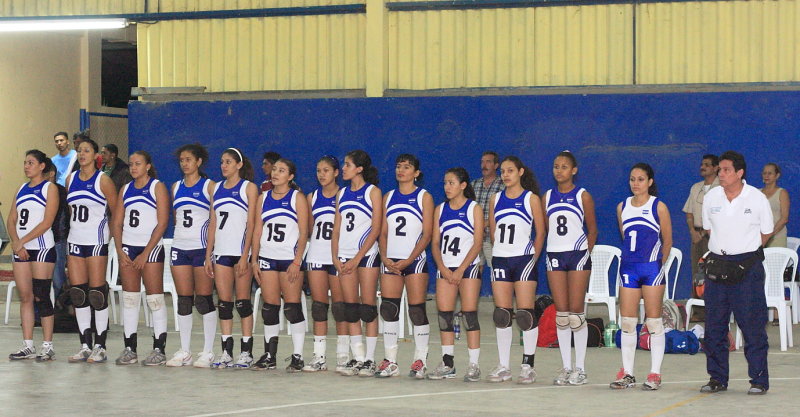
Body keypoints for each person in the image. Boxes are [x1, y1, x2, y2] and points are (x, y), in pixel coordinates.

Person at [700, 151, 772, 395]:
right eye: (719, 169)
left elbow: (766, 233)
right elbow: (708, 229)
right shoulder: (711, 197)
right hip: (718, 265)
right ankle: (717, 378)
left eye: (726, 170)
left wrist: (743, 251)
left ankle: (759, 380)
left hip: (747, 268)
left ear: (740, 173)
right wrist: (726, 250)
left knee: (752, 326)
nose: (720, 174)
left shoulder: (757, 198)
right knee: (714, 327)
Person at [610, 163, 672, 391]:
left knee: (654, 322)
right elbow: (625, 236)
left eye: (641, 179)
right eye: (632, 179)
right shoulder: (622, 207)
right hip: (629, 268)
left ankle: (655, 373)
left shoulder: (659, 207)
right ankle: (627, 373)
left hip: (651, 269)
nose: (636, 183)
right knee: (627, 321)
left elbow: (667, 241)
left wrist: (658, 266)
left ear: (650, 182)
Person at [487, 156, 546, 383]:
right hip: (501, 259)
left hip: (524, 259)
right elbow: (493, 233)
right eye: (502, 171)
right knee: (501, 314)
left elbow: (540, 232)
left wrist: (533, 258)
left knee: (525, 314)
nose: (505, 175)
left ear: (520, 172)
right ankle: (503, 365)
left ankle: (527, 365)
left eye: (510, 170)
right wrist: (501, 251)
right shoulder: (495, 199)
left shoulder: (530, 199)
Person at [375, 154, 434, 378]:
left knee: (417, 310)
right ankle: (390, 360)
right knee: (389, 309)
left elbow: (427, 234)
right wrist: (385, 257)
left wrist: (409, 260)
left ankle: (420, 359)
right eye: (399, 166)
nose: (401, 170)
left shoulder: (423, 197)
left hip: (414, 261)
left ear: (416, 173)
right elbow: (382, 232)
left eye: (407, 167)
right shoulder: (388, 197)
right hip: (391, 260)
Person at [111, 151, 170, 366]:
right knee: (130, 298)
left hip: (150, 249)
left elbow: (162, 222)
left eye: (138, 164)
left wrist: (146, 252)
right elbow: (117, 222)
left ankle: (159, 349)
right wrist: (120, 250)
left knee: (155, 299)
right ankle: (130, 348)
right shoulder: (126, 189)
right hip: (128, 248)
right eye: (130, 164)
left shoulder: (157, 187)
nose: (133, 168)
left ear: (148, 166)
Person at [251, 158, 310, 372]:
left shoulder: (297, 198)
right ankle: (269, 355)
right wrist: (254, 259)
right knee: (270, 307)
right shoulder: (263, 197)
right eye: (274, 169)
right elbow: (258, 230)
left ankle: (298, 355)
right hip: (267, 257)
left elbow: (304, 232)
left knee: (292, 307)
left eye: (282, 170)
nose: (276, 173)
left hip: (288, 259)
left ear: (290, 176)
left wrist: (297, 261)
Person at [544, 151, 598, 386]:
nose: (559, 171)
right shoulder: (546, 196)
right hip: (555, 255)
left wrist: (585, 252)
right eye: (556, 166)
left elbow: (592, 229)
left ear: (574, 170)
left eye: (564, 167)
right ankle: (566, 367)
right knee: (562, 315)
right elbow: (546, 228)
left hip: (577, 256)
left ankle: (581, 368)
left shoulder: (582, 195)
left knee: (576, 315)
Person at [427, 167, 484, 381]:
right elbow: (434, 243)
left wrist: (461, 269)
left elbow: (477, 243)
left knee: (469, 315)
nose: (447, 187)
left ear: (463, 185)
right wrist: (442, 267)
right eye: (445, 183)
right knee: (444, 316)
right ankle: (448, 363)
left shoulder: (473, 208)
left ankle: (473, 364)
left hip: (467, 268)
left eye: (451, 183)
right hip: (446, 268)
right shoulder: (440, 209)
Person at [65, 138, 118, 363]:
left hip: (97, 241)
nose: (82, 154)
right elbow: (70, 212)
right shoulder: (70, 179)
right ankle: (85, 344)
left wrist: (111, 239)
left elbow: (117, 212)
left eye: (86, 150)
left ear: (96, 155)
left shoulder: (103, 180)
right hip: (75, 240)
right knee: (79, 294)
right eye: (79, 151)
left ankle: (101, 345)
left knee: (97, 293)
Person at [204, 148, 259, 369]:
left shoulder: (248, 188)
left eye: (228, 162)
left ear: (239, 164)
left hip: (240, 253)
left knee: (243, 303)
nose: (223, 165)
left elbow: (252, 223)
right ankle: (227, 351)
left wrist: (246, 255)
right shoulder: (216, 188)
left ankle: (246, 352)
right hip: (221, 252)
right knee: (224, 304)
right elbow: (213, 223)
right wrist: (208, 254)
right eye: (221, 162)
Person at [165, 144, 218, 368]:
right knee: (184, 300)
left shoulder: (209, 186)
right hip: (180, 247)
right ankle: (185, 350)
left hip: (201, 248)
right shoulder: (176, 187)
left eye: (188, 159)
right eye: (182, 160)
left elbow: (214, 221)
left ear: (198, 162)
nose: (184, 164)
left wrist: (209, 253)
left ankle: (207, 351)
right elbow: (177, 218)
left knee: (203, 300)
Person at [332, 150, 383, 377]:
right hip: (344, 255)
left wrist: (357, 257)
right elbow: (337, 228)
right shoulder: (341, 193)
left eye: (347, 164)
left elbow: (376, 228)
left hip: (366, 256)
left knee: (368, 308)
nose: (344, 168)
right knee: (350, 308)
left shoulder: (373, 192)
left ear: (359, 169)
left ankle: (370, 359)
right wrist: (335, 255)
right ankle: (358, 356)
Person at [7, 150, 59, 361]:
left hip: (41, 247)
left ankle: (48, 345)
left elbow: (47, 222)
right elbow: (12, 219)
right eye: (25, 162)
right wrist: (16, 242)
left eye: (31, 162)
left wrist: (23, 241)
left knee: (41, 295)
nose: (26, 166)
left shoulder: (49, 188)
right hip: (21, 249)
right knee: (26, 297)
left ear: (41, 166)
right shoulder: (20, 188)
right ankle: (28, 344)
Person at [302, 155, 350, 372]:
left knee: (340, 307)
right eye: (318, 170)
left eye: (326, 170)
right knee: (319, 307)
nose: (321, 174)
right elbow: (309, 229)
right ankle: (319, 356)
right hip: (316, 255)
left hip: (337, 257)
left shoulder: (345, 195)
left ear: (336, 173)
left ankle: (343, 355)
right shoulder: (312, 197)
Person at [683, 154, 719, 293]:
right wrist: (693, 231)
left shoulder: (721, 188)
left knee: (713, 271)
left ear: (716, 168)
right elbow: (689, 212)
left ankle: (713, 308)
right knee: (697, 272)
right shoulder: (695, 187)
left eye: (707, 165)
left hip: (713, 236)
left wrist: (704, 233)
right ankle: (698, 309)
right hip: (696, 236)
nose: (702, 167)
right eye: (702, 164)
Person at [51, 132, 76, 296]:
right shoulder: (53, 160)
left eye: (61, 140)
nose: (59, 143)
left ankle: (64, 298)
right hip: (56, 197)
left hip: (69, 198)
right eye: (56, 141)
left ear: (67, 141)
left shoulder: (75, 157)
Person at [471, 151, 504, 270]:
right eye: (482, 162)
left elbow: (503, 214)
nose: (484, 165)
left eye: (488, 162)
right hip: (474, 238)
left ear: (496, 166)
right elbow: (467, 210)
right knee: (473, 272)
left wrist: (483, 226)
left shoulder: (503, 185)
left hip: (493, 238)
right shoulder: (473, 185)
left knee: (496, 272)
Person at [43, 163, 69, 298]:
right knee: (40, 280)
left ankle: (61, 308)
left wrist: (59, 235)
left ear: (51, 173)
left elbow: (62, 217)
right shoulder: (37, 190)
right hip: (39, 239)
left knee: (58, 279)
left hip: (57, 238)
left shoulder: (60, 191)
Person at [760, 163, 790, 248]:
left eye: (770, 173)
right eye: (764, 173)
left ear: (777, 176)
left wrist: (769, 235)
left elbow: (784, 218)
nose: (766, 176)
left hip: (777, 238)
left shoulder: (782, 193)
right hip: (759, 240)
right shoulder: (757, 193)